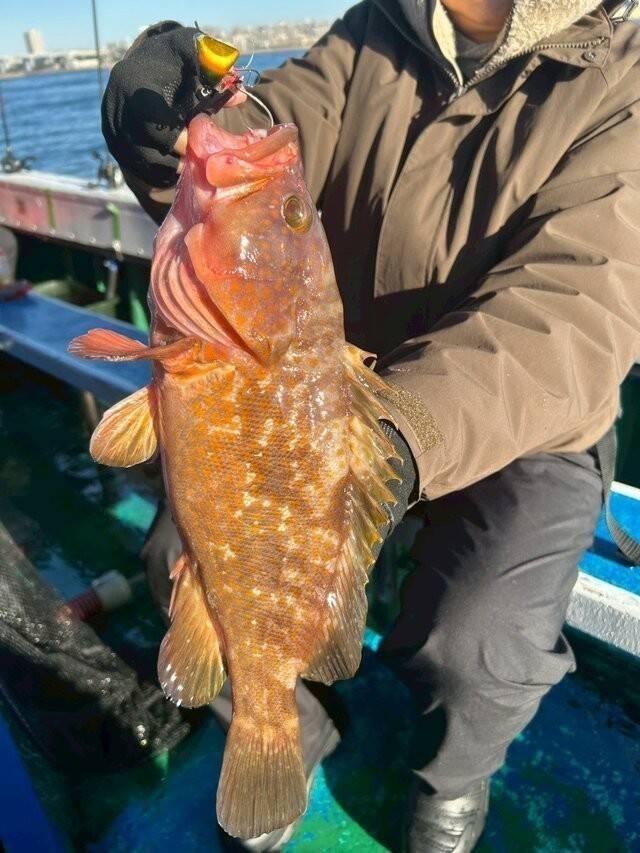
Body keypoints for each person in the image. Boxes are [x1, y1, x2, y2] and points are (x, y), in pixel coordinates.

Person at [102, 1, 640, 850]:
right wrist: (177, 120)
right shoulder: (377, 28)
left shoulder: (625, 74)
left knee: (480, 642)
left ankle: (450, 782)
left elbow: (573, 310)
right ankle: (284, 722)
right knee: (183, 556)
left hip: (529, 414)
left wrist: (386, 443)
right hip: (309, 394)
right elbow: (274, 131)